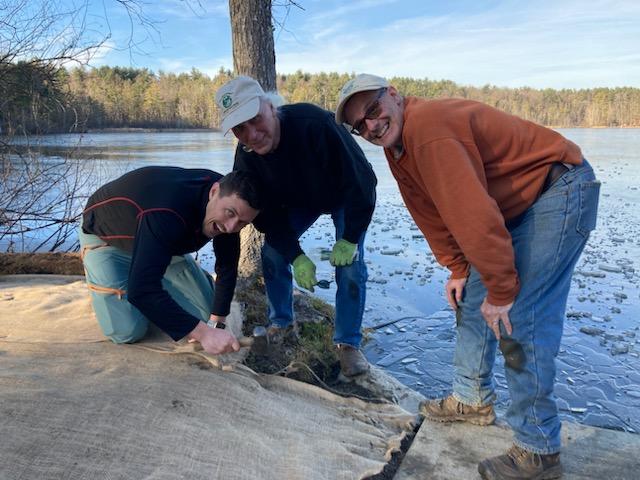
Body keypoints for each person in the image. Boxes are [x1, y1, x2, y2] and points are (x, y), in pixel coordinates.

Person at [336, 74, 600, 479]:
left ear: (393, 94)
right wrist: (460, 269)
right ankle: (472, 398)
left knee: (518, 317)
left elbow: (472, 215)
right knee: (473, 298)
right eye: (360, 125)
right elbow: (430, 213)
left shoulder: (429, 130)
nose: (370, 126)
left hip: (558, 190)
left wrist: (502, 288)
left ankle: (539, 452)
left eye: (372, 110)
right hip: (519, 204)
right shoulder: (399, 145)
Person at [215, 76, 377, 377]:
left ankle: (348, 344)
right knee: (274, 253)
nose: (251, 134)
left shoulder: (314, 123)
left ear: (269, 105)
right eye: (239, 128)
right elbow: (264, 214)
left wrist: (351, 237)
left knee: (351, 265)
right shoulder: (247, 158)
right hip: (300, 201)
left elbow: (363, 183)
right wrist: (296, 255)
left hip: (343, 195)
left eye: (254, 119)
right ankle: (281, 324)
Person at [79, 166, 262, 355]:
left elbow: (226, 266)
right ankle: (115, 281)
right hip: (107, 240)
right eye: (230, 214)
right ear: (214, 192)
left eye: (242, 223)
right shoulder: (166, 211)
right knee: (128, 331)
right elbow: (140, 291)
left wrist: (217, 324)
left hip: (161, 243)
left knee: (205, 315)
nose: (231, 227)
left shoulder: (232, 199)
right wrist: (204, 335)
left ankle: (153, 278)